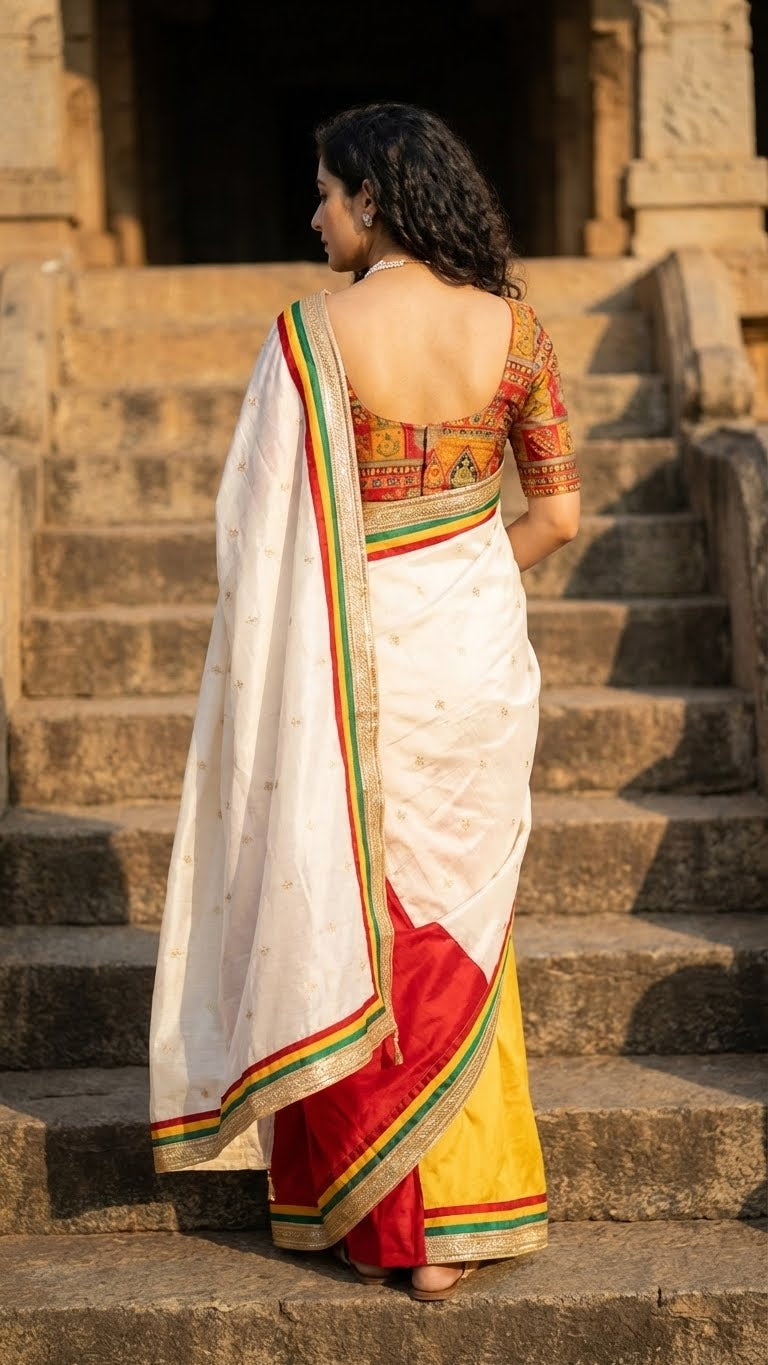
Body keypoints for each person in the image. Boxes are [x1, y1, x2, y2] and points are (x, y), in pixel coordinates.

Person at [149, 102, 580, 1303]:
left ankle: (379, 1212)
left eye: (329, 194)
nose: (315, 215)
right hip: (475, 664)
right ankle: (462, 1215)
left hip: (352, 658)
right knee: (467, 915)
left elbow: (260, 543)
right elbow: (557, 517)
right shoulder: (518, 330)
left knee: (358, 908)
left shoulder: (312, 337)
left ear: (373, 202)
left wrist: (342, 601)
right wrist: (466, 572)